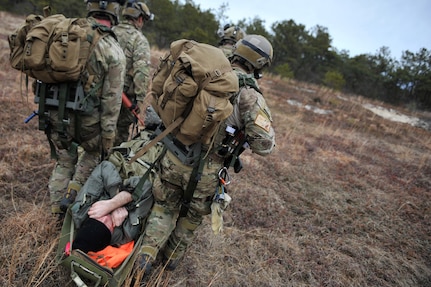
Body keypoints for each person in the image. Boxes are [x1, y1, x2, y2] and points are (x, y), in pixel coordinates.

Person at [136, 34, 276, 273]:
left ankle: (144, 259)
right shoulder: (251, 96)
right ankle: (168, 265)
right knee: (191, 217)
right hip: (208, 173)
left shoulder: (209, 74)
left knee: (164, 206)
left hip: (174, 156)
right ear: (260, 64)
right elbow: (264, 146)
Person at [45, 0, 126, 216]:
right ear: (114, 14)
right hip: (88, 124)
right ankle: (73, 197)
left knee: (64, 160)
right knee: (91, 155)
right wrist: (108, 138)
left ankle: (55, 213)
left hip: (55, 114)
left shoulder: (65, 35)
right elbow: (112, 101)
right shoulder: (113, 50)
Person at [112, 0, 154, 146]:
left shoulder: (110, 31)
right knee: (120, 135)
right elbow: (141, 72)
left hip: (100, 93)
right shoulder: (139, 40)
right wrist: (139, 100)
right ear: (140, 19)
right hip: (124, 100)